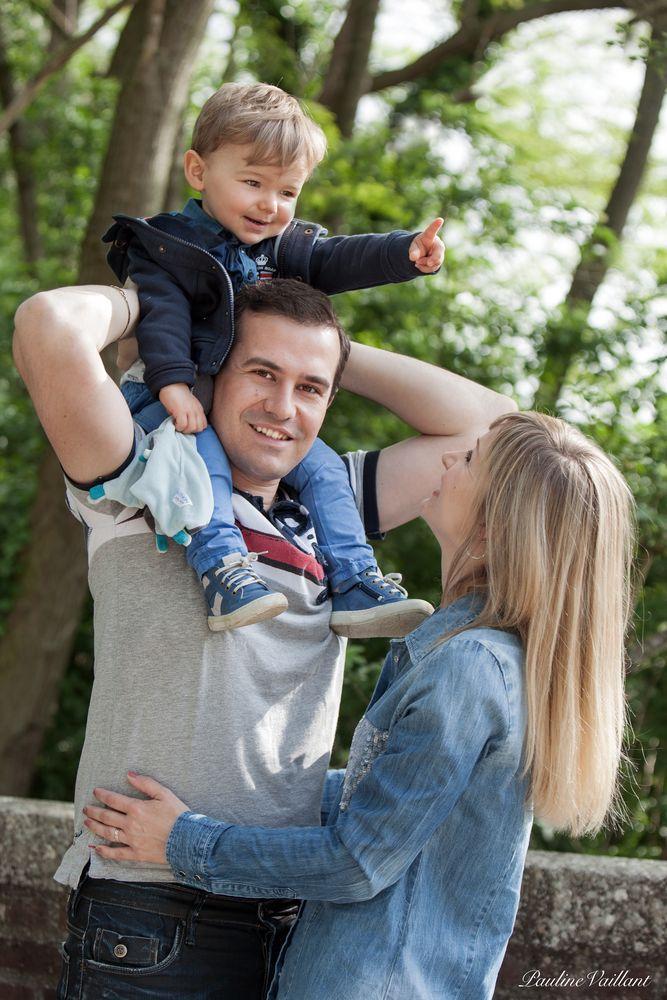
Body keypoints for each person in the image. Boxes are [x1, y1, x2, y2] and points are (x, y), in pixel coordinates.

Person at [13, 277, 514, 998]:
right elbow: (46, 326)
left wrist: (335, 353)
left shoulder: (332, 506)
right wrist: (168, 306)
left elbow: (496, 432)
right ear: (212, 369)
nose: (283, 408)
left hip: (290, 915)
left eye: (310, 388)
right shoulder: (146, 481)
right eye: (261, 373)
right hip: (153, 911)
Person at [82, 409, 635, 1000]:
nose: (451, 457)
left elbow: (357, 861)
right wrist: (247, 789)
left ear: (499, 525)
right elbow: (388, 804)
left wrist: (183, 842)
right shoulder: (482, 658)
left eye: (471, 459)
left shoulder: (469, 670)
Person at [106, 81, 444, 635]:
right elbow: (162, 318)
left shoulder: (280, 250)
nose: (270, 205)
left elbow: (336, 258)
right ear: (199, 171)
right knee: (204, 459)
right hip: (178, 394)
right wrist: (172, 387)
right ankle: (221, 568)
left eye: (288, 192)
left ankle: (354, 579)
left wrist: (402, 252)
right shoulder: (170, 248)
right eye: (253, 183)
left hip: (247, 400)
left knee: (327, 469)